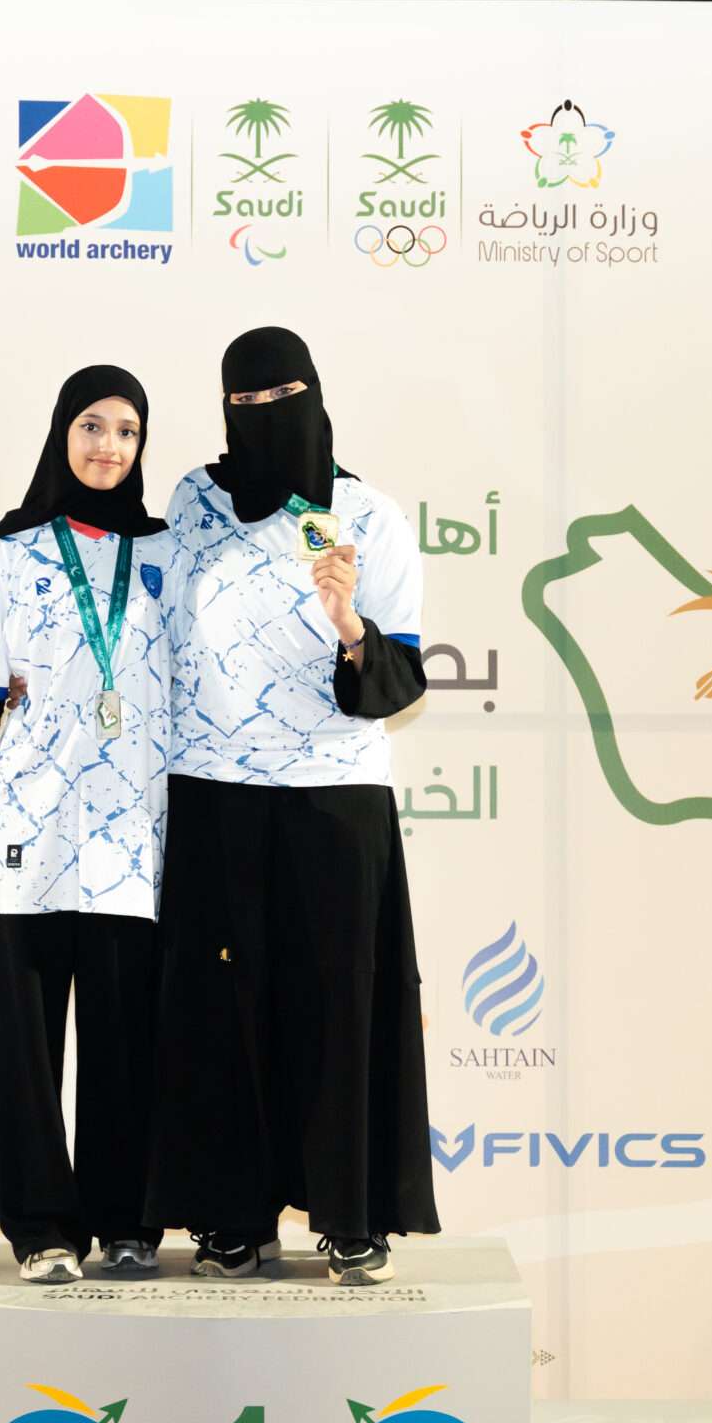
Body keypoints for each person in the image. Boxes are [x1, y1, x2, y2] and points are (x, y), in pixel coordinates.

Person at [148, 326, 438, 1286]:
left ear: (316, 396)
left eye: (285, 400)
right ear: (224, 411)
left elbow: (401, 678)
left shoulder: (370, 515)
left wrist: (351, 624)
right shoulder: (193, 501)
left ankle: (351, 1215)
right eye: (247, 405)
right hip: (212, 788)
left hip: (335, 793)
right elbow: (156, 627)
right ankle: (232, 1217)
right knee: (218, 1012)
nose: (268, 419)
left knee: (339, 1006)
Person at [0, 365, 183, 1283]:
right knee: (27, 1037)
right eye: (92, 425)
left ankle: (126, 1221)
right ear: (62, 432)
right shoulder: (6, 552)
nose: (108, 446)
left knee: (127, 1036)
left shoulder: (167, 553)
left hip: (135, 825)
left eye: (128, 430)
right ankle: (42, 1227)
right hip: (30, 821)